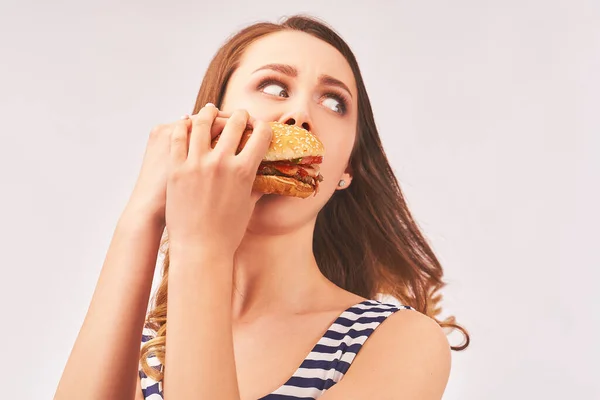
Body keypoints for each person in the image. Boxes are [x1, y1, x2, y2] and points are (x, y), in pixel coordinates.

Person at [54, 14, 470, 400]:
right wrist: (140, 219)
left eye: (334, 102)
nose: (299, 114)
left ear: (347, 168)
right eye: (274, 87)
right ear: (211, 127)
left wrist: (204, 247)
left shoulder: (400, 342)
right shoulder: (144, 347)